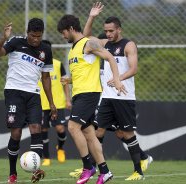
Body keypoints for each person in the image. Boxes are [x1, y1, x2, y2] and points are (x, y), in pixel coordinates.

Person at [82, 2, 153, 180]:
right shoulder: (104, 44)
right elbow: (86, 37)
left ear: (119, 30)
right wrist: (92, 16)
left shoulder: (129, 45)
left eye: (111, 31)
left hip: (124, 97)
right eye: (106, 31)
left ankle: (138, 171)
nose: (108, 34)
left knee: (127, 134)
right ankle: (96, 168)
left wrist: (117, 79)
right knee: (98, 132)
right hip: (107, 97)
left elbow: (134, 69)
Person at [57, 14, 127, 184]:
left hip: (89, 94)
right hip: (80, 94)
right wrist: (69, 80)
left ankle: (88, 167)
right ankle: (105, 171)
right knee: (88, 133)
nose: (63, 36)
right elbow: (83, 71)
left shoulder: (88, 43)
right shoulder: (73, 49)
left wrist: (117, 79)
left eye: (64, 32)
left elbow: (109, 57)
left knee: (73, 127)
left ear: (71, 29)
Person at [0, 18, 58, 184]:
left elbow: (46, 78)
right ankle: (12, 174)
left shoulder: (46, 50)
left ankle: (36, 170)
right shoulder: (15, 42)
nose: (36, 39)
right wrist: (3, 38)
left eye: (39, 36)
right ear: (27, 33)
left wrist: (52, 103)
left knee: (37, 128)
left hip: (33, 94)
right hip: (14, 92)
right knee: (16, 133)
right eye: (33, 36)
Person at [38, 40, 72, 166]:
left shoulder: (57, 64)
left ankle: (61, 148)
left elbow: (64, 83)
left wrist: (68, 99)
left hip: (57, 103)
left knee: (60, 128)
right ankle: (46, 158)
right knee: (43, 129)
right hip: (41, 103)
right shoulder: (37, 65)